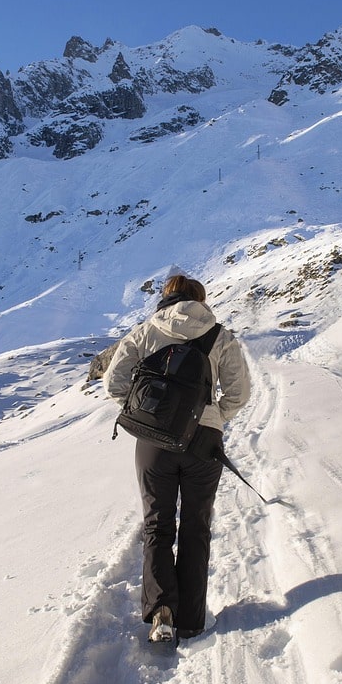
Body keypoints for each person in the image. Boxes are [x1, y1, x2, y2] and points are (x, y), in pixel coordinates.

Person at [104, 274, 251, 642]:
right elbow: (239, 392)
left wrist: (146, 413)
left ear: (165, 298)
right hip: (205, 442)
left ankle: (161, 611)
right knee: (196, 527)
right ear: (201, 300)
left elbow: (113, 383)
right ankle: (191, 620)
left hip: (155, 442)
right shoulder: (220, 335)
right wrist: (214, 418)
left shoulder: (145, 331)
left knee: (157, 524)